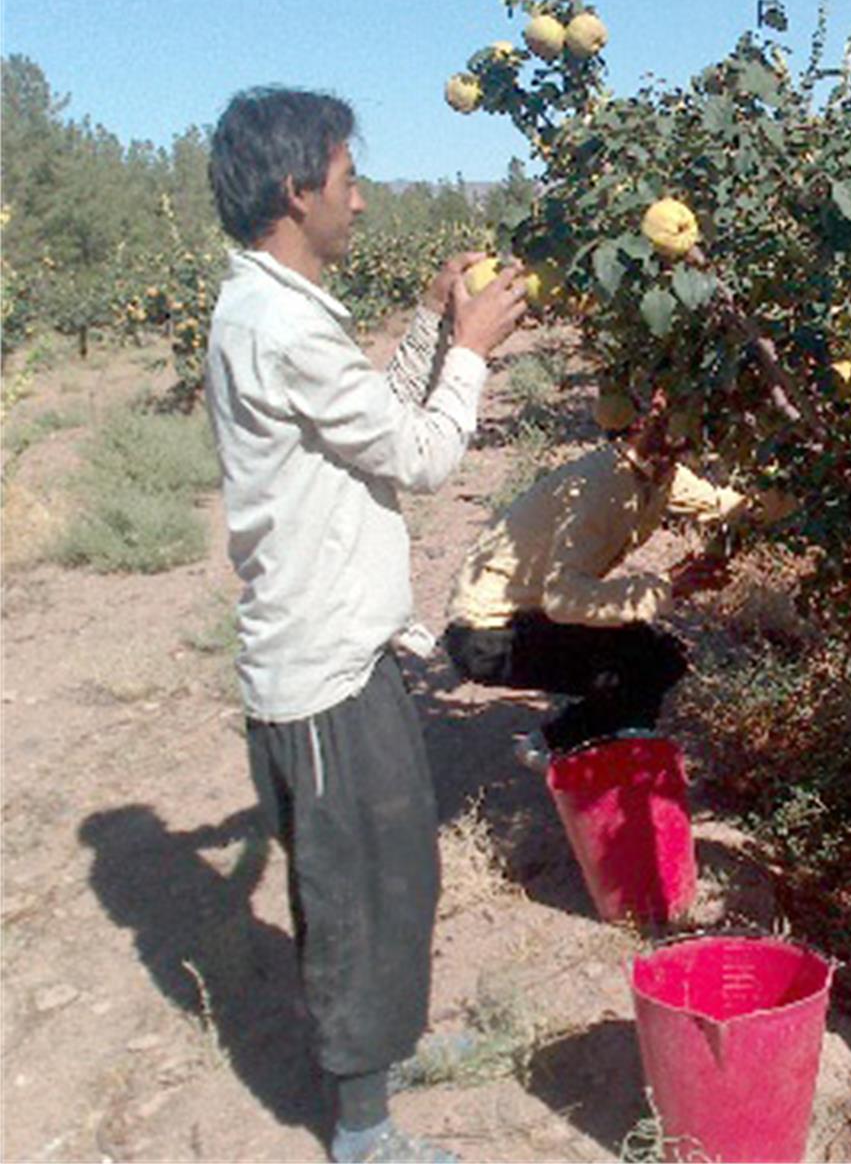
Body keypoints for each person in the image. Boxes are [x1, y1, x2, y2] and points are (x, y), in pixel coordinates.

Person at [205, 86, 527, 1164]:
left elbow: (370, 420)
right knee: (354, 896)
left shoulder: (282, 314)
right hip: (319, 666)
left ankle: (381, 1064)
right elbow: (422, 455)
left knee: (397, 871)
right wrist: (474, 350)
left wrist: (435, 329)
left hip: (351, 648)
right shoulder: (275, 325)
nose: (360, 197)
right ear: (297, 191)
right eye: (348, 179)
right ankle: (362, 1131)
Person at [443, 390, 746, 756]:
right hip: (485, 635)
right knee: (643, 663)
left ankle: (563, 748)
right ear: (636, 422)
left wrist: (793, 486)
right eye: (660, 415)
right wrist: (665, 587)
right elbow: (564, 600)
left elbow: (728, 506)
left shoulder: (662, 476)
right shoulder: (601, 485)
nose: (678, 432)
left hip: (528, 616)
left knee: (654, 657)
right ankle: (575, 758)